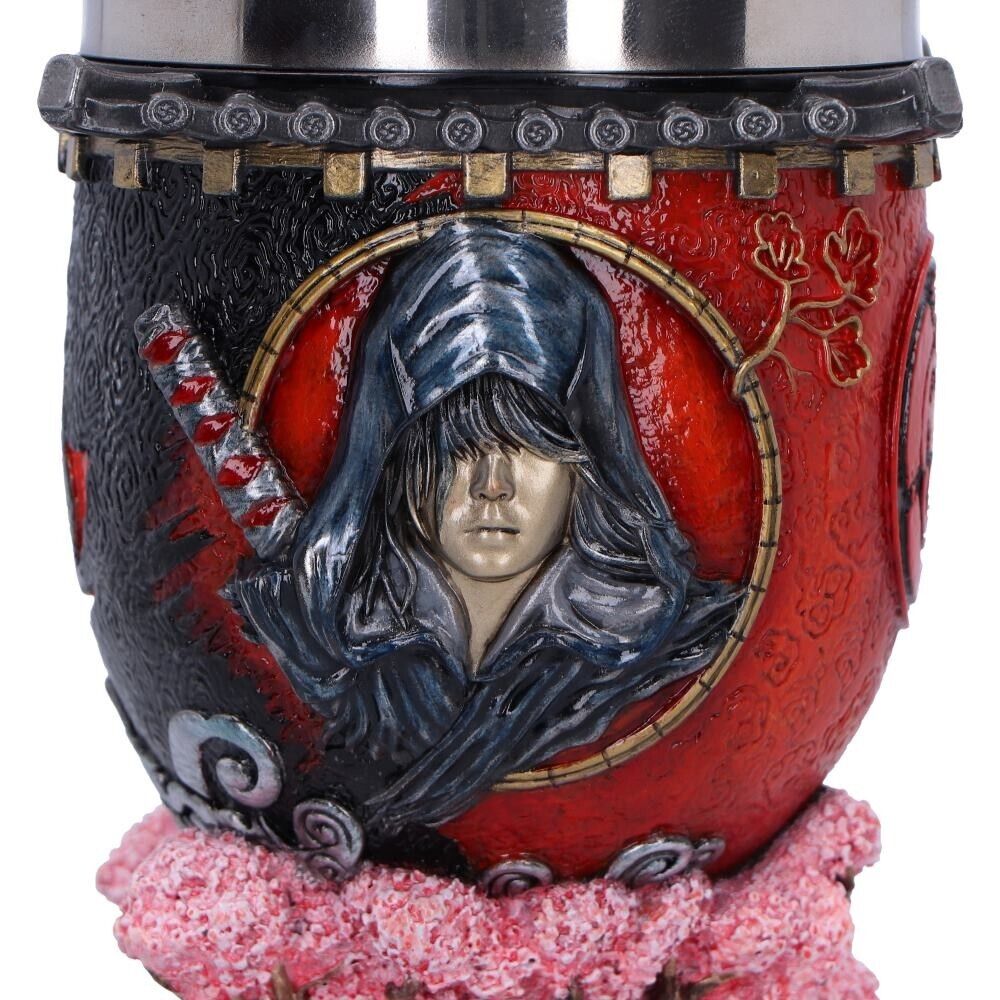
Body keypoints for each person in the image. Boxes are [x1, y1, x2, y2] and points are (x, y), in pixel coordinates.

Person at [232, 220, 742, 832]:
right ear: (399, 460)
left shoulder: (661, 643)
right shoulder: (326, 638)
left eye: (529, 445)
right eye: (459, 447)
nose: (492, 485)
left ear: (584, 467)